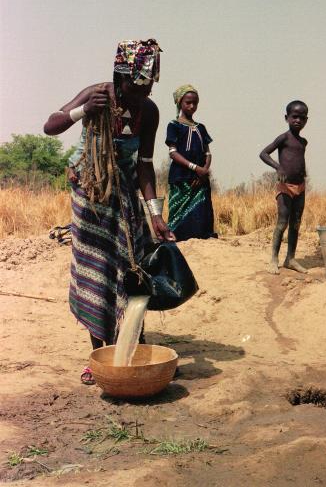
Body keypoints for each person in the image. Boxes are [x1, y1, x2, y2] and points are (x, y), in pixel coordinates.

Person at [44, 39, 174, 384]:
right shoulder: (96, 94)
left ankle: (132, 346)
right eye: (136, 84)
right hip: (91, 198)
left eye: (148, 85)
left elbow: (145, 166)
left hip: (126, 199)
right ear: (120, 76)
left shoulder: (150, 111)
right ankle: (98, 355)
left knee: (133, 270)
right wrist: (83, 112)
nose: (142, 91)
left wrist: (155, 214)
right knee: (96, 274)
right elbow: (51, 126)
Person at [259, 100, 309, 275]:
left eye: (302, 118)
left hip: (300, 187)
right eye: (294, 117)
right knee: (282, 223)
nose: (298, 120)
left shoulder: (303, 142)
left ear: (306, 120)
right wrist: (277, 167)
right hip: (285, 187)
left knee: (295, 224)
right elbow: (264, 153)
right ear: (286, 118)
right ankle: (274, 258)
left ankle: (291, 259)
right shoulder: (284, 138)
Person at [165, 84, 216, 242]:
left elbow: (207, 153)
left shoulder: (201, 128)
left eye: (195, 102)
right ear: (180, 103)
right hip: (181, 176)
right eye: (188, 102)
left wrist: (204, 171)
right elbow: (173, 153)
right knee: (178, 213)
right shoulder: (173, 126)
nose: (192, 106)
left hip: (200, 179)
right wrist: (195, 168)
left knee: (201, 212)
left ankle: (202, 237)